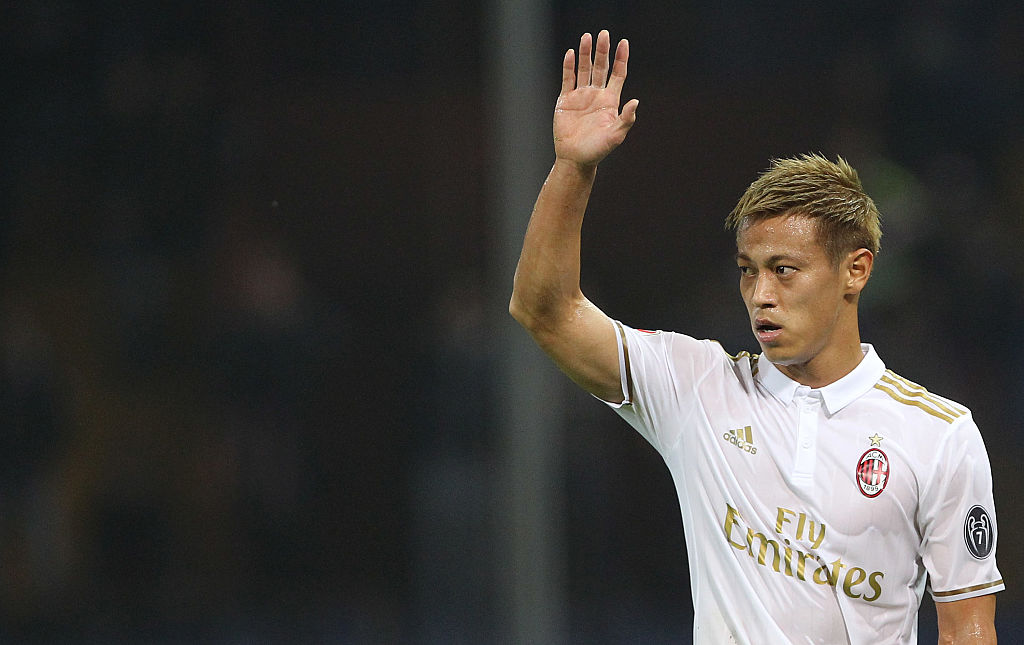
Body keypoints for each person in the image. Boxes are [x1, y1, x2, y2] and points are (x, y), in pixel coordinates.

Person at [509, 29, 1002, 644]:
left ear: (856, 270)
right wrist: (572, 168)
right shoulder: (696, 388)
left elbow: (967, 630)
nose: (760, 294)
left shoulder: (940, 434)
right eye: (748, 270)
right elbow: (545, 311)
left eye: (784, 270)